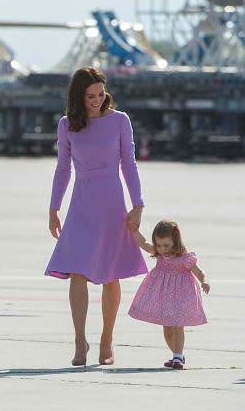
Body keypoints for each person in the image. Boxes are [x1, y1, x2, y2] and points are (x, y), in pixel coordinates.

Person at [45, 67, 147, 366]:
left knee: (110, 274)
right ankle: (80, 341)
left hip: (113, 203)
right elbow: (63, 168)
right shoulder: (67, 125)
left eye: (101, 94)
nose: (97, 100)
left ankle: (106, 339)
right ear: (79, 96)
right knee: (77, 271)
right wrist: (53, 208)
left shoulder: (120, 120)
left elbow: (129, 164)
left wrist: (138, 205)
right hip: (82, 202)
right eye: (90, 96)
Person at [129, 220, 209, 370]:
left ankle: (177, 356)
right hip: (164, 296)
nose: (162, 249)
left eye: (166, 245)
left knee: (178, 325)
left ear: (175, 241)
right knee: (166, 327)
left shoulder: (184, 258)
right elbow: (143, 243)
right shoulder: (159, 254)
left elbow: (198, 271)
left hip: (181, 295)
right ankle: (177, 354)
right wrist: (134, 230)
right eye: (158, 245)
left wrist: (204, 281)